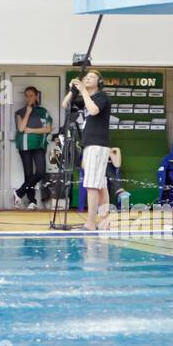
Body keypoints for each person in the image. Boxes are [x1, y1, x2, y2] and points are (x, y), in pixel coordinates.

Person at [65, 71, 111, 230]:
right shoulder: (86, 98)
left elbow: (93, 111)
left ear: (99, 82)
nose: (87, 79)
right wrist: (73, 90)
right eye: (86, 77)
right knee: (100, 185)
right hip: (91, 145)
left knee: (92, 184)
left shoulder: (101, 97)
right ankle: (105, 220)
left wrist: (83, 90)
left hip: (97, 144)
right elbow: (65, 104)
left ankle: (91, 223)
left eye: (92, 77)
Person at [14, 87, 52, 209]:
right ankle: (32, 202)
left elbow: (48, 129)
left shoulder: (43, 111)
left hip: (39, 145)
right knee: (28, 174)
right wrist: (28, 112)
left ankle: (19, 192)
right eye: (27, 96)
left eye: (31, 95)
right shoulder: (20, 112)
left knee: (40, 172)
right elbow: (21, 128)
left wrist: (31, 130)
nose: (29, 98)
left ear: (36, 96)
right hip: (24, 145)